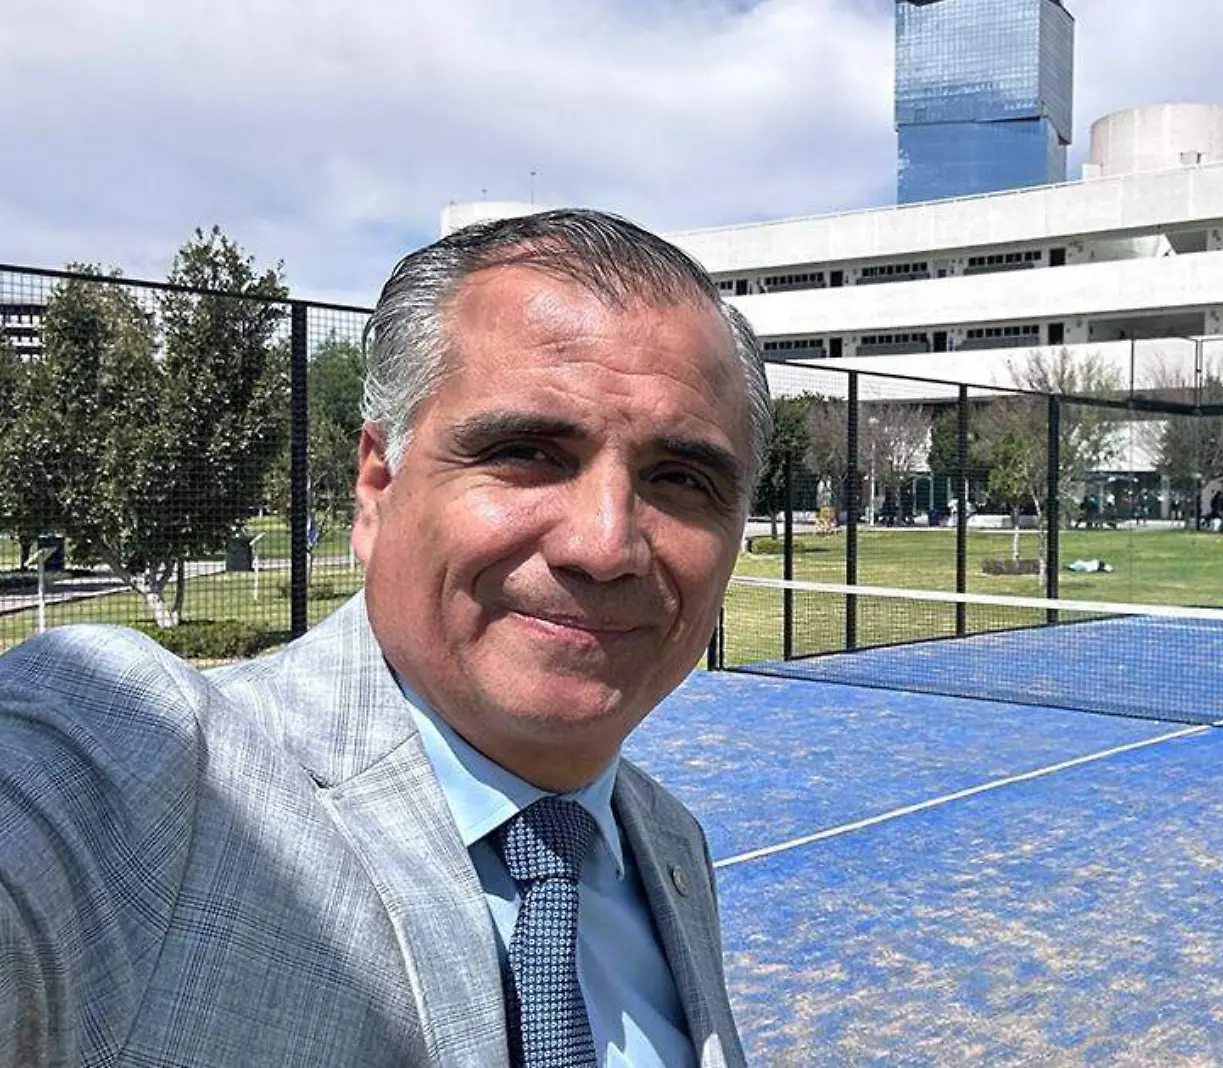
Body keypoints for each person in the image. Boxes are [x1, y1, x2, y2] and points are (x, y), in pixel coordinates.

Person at [0, 210, 765, 1067]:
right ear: (376, 490)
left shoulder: (669, 846)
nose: (603, 544)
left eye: (681, 478)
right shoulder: (145, 774)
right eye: (526, 452)